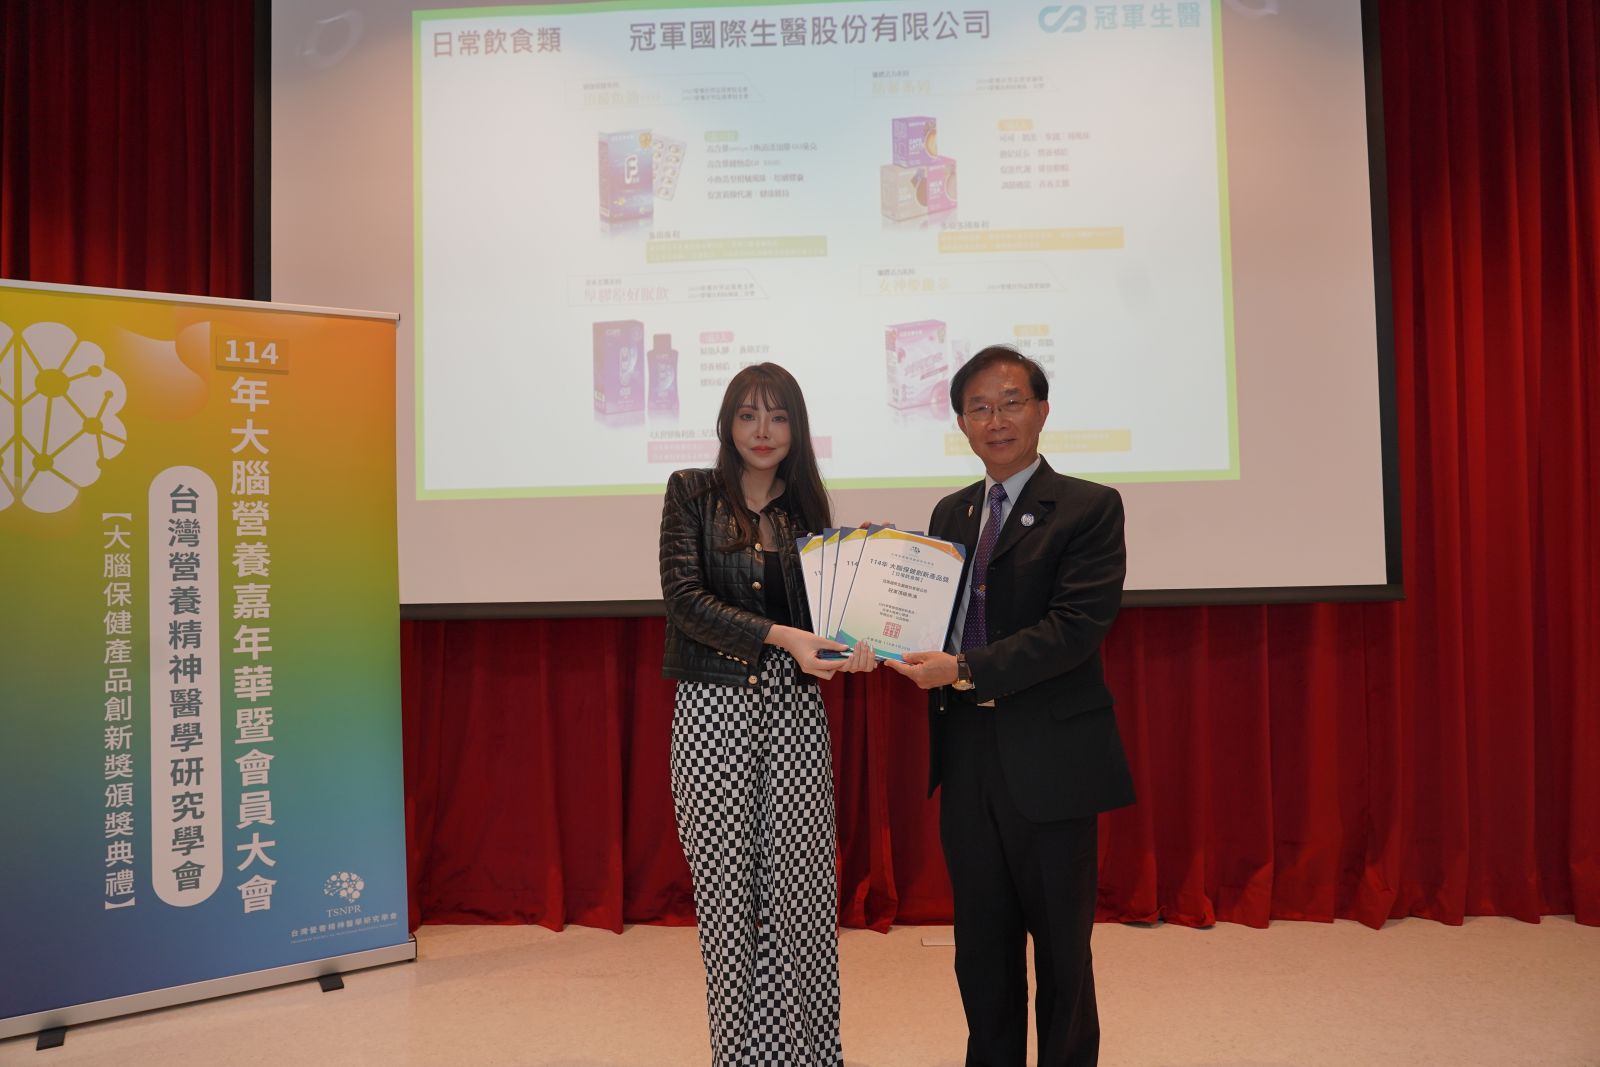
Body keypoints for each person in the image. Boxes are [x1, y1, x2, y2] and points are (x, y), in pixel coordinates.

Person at [888, 345, 1134, 1067]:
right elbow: (932, 615)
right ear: (961, 422)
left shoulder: (1089, 507)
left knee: (1062, 949)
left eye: (1011, 403)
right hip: (967, 755)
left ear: (1042, 411)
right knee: (982, 948)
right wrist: (879, 631)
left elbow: (1075, 629)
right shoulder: (952, 510)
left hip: (1052, 759)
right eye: (979, 408)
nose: (996, 420)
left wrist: (965, 667)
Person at [659, 362, 875, 1066]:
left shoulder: (805, 512)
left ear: (796, 428)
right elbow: (685, 601)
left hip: (793, 715)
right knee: (728, 893)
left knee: (801, 888)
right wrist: (783, 637)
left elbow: (823, 625)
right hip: (712, 712)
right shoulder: (691, 492)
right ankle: (741, 1056)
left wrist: (857, 645)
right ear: (727, 423)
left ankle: (808, 1054)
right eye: (748, 414)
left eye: (778, 416)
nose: (763, 430)